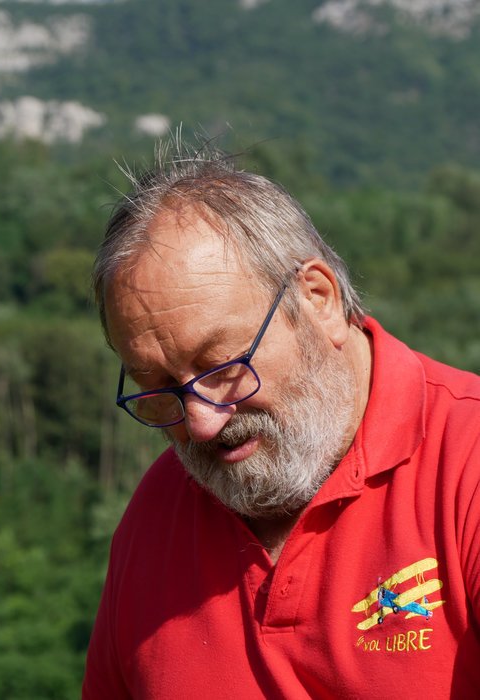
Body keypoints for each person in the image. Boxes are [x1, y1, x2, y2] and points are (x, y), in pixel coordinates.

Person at [82, 140, 480, 699]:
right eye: (160, 388)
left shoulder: (466, 464)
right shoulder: (154, 516)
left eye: (223, 366)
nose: (202, 423)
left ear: (318, 300)